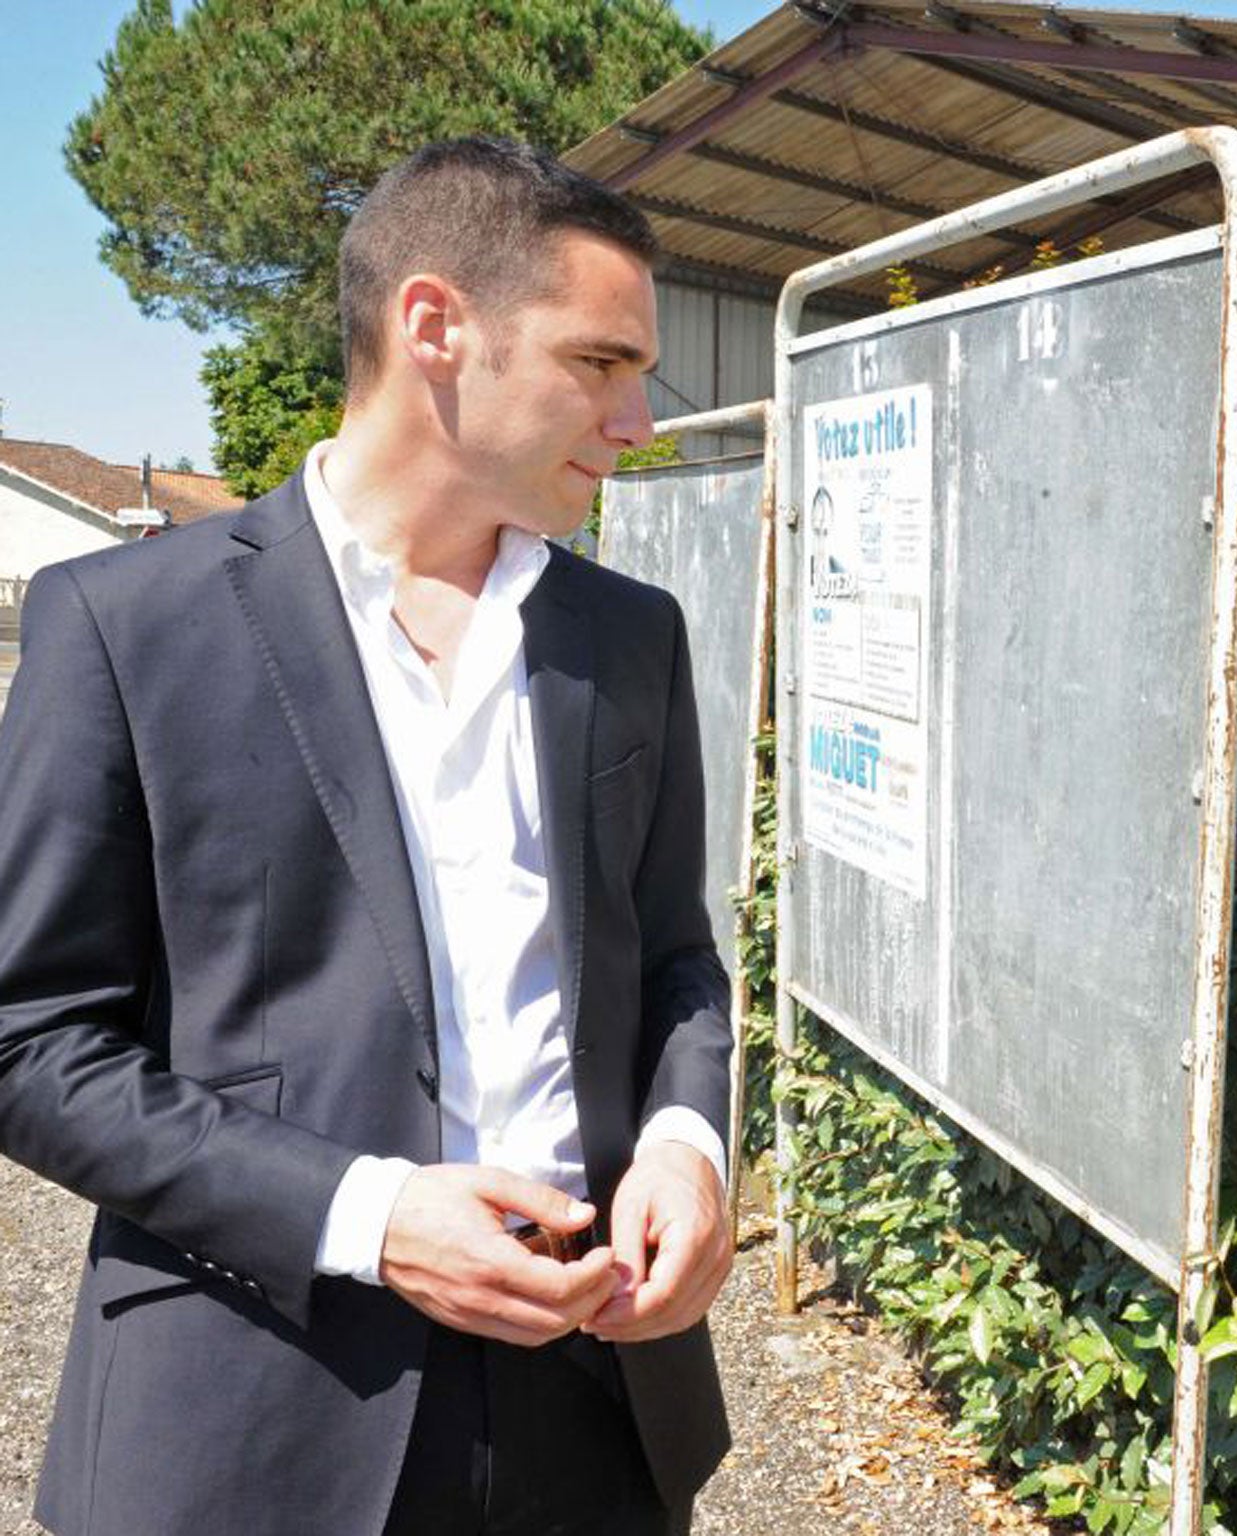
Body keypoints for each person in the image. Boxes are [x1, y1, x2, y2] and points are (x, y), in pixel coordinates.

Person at [0, 139, 734, 1536]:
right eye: (600, 362)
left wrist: (688, 1144)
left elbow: (681, 961)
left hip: (595, 1416)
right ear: (435, 328)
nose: (639, 418)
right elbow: (27, 1037)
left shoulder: (633, 639)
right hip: (254, 1414)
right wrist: (370, 1215)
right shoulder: (125, 626)